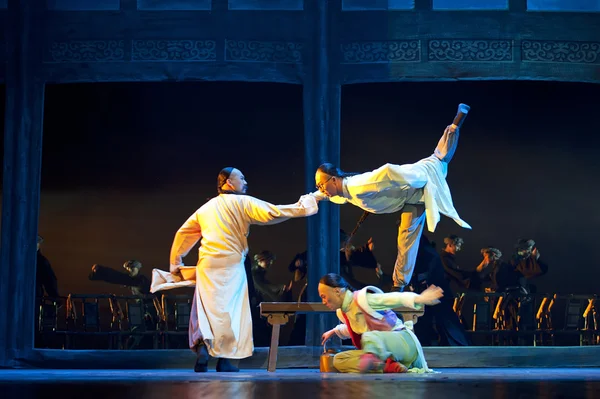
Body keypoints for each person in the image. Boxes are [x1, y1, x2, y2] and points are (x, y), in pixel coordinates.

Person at [169, 167, 320, 372]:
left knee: (206, 311)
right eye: (241, 178)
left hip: (208, 265)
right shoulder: (243, 202)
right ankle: (226, 359)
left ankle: (203, 346)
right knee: (232, 312)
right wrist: (305, 205)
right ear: (228, 183)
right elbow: (274, 212)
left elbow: (184, 234)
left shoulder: (206, 208)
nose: (245, 181)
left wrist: (175, 263)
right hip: (231, 265)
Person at [314, 104, 472, 292]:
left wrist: (415, 177)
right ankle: (399, 285)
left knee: (438, 160)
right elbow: (324, 196)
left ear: (333, 179)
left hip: (416, 187)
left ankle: (455, 123)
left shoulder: (356, 186)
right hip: (409, 198)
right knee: (405, 239)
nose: (321, 189)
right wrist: (309, 199)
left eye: (321, 184)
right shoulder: (343, 191)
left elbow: (387, 170)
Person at [319, 273, 443, 373]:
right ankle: (384, 367)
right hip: (382, 350)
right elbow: (358, 327)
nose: (323, 301)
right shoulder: (343, 312)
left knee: (370, 336)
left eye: (324, 296)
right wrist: (334, 331)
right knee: (339, 360)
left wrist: (419, 298)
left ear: (337, 291)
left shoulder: (363, 299)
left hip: (403, 342)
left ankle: (377, 362)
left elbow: (394, 298)